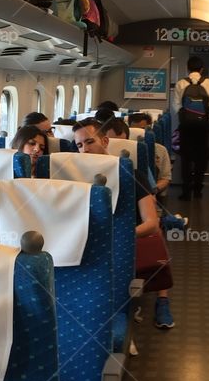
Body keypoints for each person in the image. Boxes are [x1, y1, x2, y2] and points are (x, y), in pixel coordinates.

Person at [72, 118, 174, 329]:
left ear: (105, 141)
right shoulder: (70, 179)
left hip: (122, 245)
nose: (85, 150)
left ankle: (156, 304)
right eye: (79, 145)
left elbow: (151, 224)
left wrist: (118, 238)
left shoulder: (130, 176)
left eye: (90, 142)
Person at [173, 56, 209, 200]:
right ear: (202, 69)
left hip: (186, 125)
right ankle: (198, 190)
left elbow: (176, 106)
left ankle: (186, 192)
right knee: (201, 157)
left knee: (186, 157)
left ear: (188, 68)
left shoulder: (181, 83)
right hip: (202, 125)